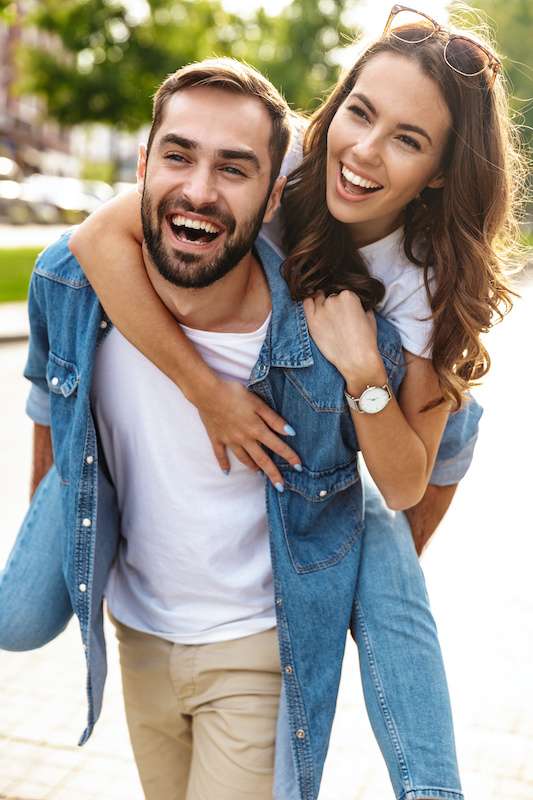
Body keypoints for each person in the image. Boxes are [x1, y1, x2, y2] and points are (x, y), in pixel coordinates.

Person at [0, 12, 516, 798]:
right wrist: (209, 396)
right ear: (337, 105)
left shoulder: (428, 276)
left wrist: (358, 370)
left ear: (440, 170)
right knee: (21, 614)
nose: (365, 151)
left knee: (387, 513)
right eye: (360, 112)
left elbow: (408, 477)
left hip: (379, 419)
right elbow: (96, 244)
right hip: (174, 587)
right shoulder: (288, 159)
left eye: (408, 141)